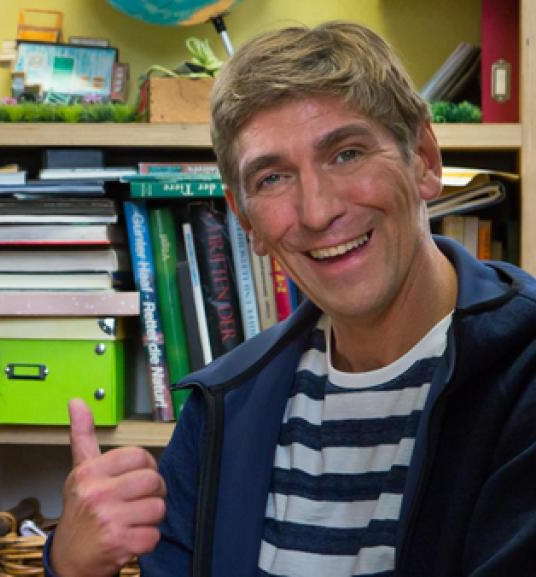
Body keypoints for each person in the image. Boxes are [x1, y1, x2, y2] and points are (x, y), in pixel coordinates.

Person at [44, 21, 536, 577]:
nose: (318, 212)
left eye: (347, 154)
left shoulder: (523, 372)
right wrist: (73, 567)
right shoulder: (220, 409)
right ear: (244, 219)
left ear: (423, 158)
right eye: (273, 179)